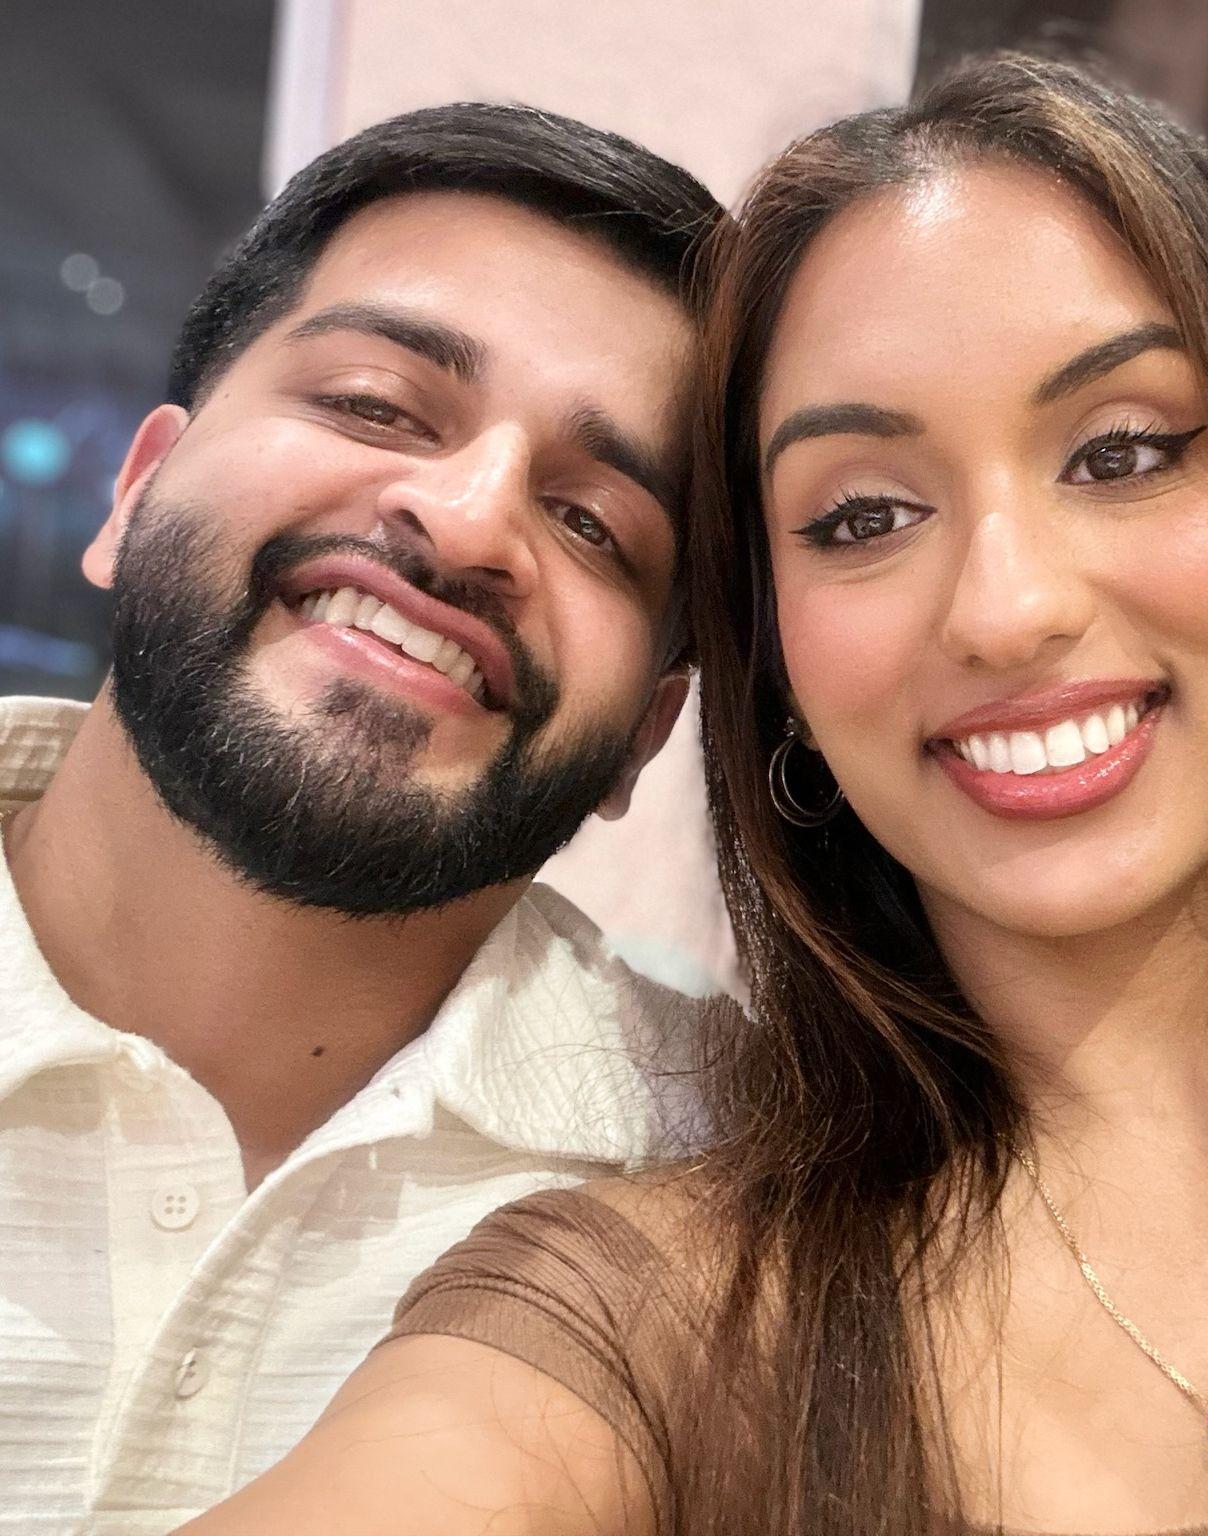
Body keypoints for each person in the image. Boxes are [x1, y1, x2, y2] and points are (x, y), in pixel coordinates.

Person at [177, 54, 1208, 1536]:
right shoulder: (655, 1313)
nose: (1008, 610)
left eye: (1122, 453)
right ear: (776, 676)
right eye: (863, 515)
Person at [0, 100, 723, 1531]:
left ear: (646, 732)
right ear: (136, 492)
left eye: (595, 524)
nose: (468, 521)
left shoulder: (747, 1194)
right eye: (375, 405)